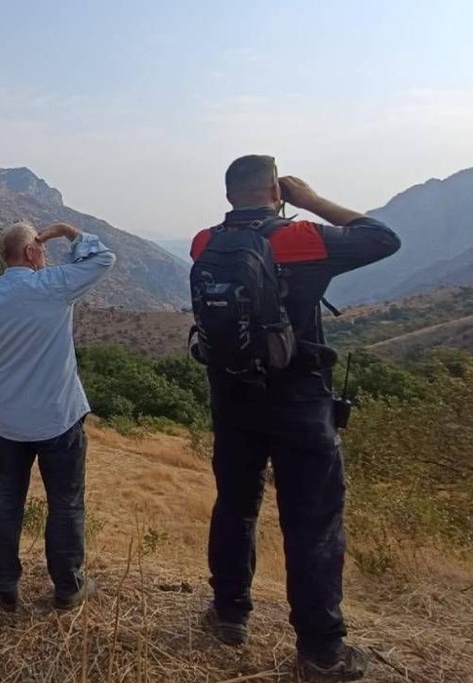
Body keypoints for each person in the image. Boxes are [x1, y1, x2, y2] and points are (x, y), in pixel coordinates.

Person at [193, 155, 400, 681]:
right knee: (312, 522)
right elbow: (382, 237)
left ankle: (229, 615)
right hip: (300, 400)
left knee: (236, 505)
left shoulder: (204, 243)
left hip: (232, 397)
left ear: (228, 195)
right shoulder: (302, 238)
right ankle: (321, 651)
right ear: (274, 190)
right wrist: (310, 200)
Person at [0, 220, 116, 612]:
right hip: (59, 417)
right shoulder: (54, 286)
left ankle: (4, 587)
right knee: (65, 501)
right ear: (31, 252)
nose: (45, 254)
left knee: (8, 499)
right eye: (41, 249)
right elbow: (104, 258)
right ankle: (68, 586)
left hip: (9, 423)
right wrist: (67, 231)